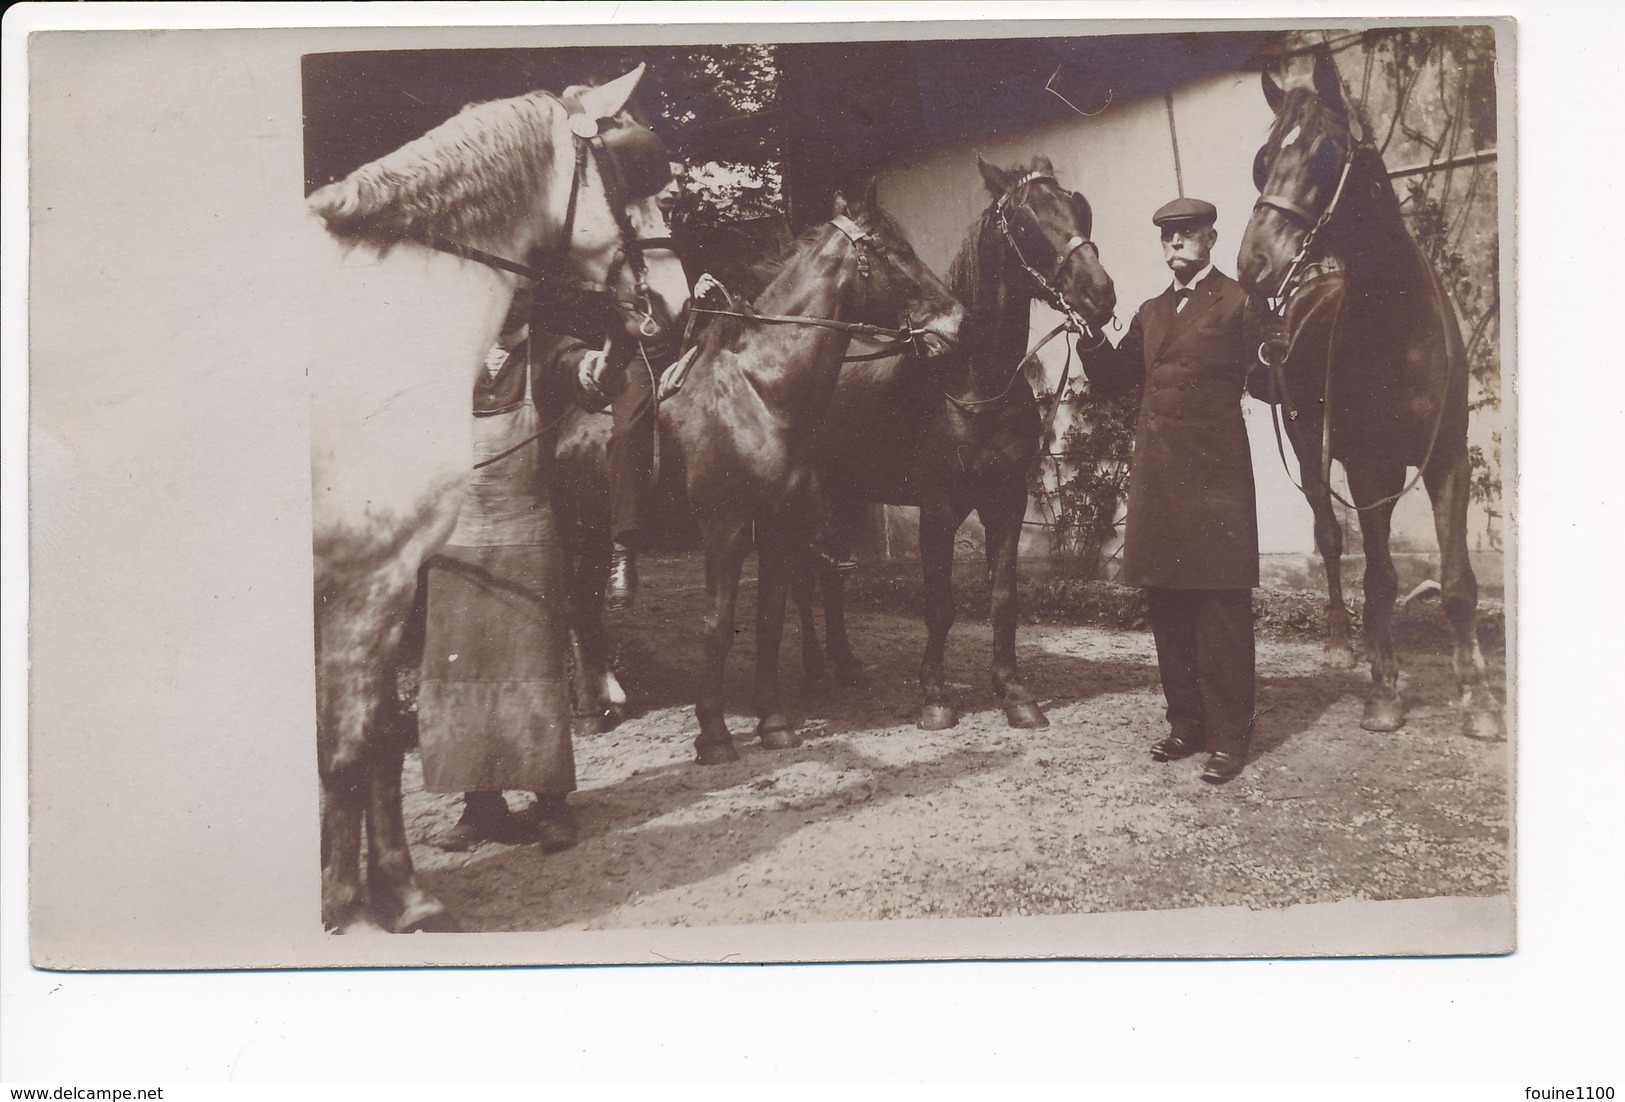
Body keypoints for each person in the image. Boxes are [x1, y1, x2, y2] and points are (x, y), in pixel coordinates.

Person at [1076, 197, 1269, 785]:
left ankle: (1230, 737)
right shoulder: (1151, 311)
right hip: (1159, 475)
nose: (1176, 245)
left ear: (1211, 238)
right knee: (1166, 603)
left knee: (1220, 605)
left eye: (1187, 234)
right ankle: (1185, 724)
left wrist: (1279, 342)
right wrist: (1087, 329)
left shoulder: (1239, 301)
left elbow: (1266, 382)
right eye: (1168, 237)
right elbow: (1112, 378)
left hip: (1215, 478)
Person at [417, 290, 605, 852]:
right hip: (459, 537)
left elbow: (588, 376)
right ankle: (480, 806)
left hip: (528, 534)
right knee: (464, 674)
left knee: (532, 672)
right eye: (499, 291)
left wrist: (605, 359)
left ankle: (549, 803)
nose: (510, 303)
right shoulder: (450, 356)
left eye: (522, 292)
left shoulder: (553, 353)